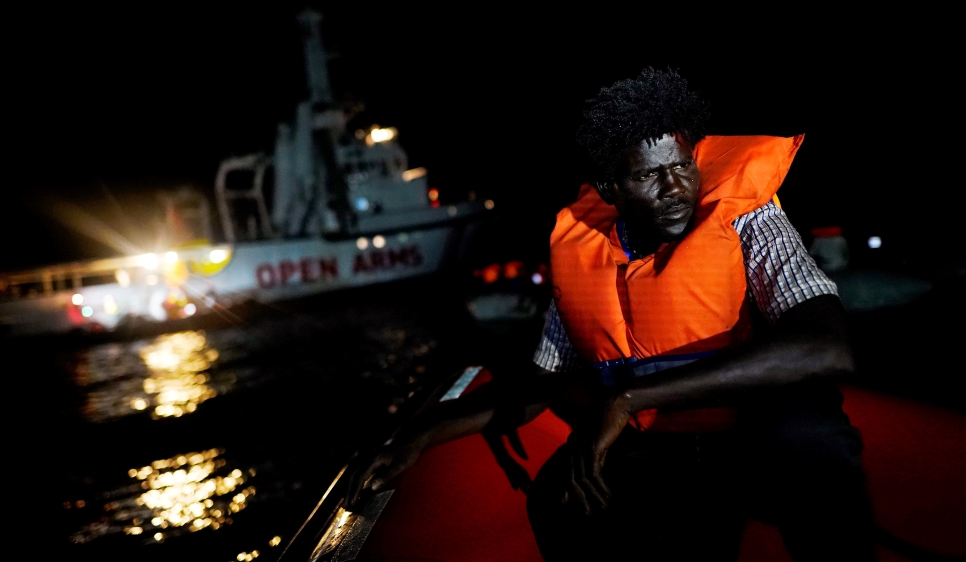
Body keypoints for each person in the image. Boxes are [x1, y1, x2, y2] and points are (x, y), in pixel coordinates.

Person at [346, 67, 875, 561]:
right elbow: (541, 382)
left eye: (682, 166)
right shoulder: (584, 251)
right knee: (560, 498)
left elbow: (826, 348)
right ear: (611, 190)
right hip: (661, 447)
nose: (675, 189)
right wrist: (423, 433)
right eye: (650, 176)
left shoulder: (747, 218)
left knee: (812, 440)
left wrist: (626, 400)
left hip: (752, 438)